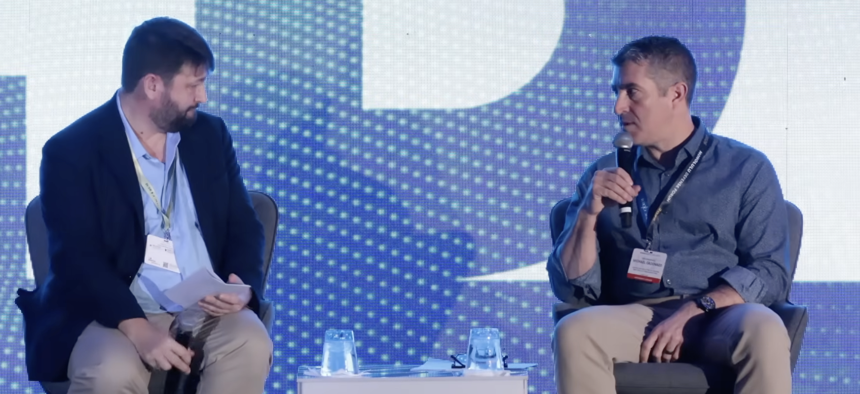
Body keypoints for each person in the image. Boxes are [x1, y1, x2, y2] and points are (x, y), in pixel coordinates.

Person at [15, 17, 273, 393]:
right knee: (110, 372)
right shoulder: (71, 151)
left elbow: (243, 225)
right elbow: (78, 258)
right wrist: (137, 328)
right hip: (111, 311)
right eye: (194, 85)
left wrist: (240, 285)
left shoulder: (209, 136)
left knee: (250, 341)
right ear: (152, 85)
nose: (203, 97)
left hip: (203, 306)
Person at [546, 36, 792, 394]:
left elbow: (770, 272)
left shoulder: (745, 168)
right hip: (636, 315)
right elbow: (574, 291)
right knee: (574, 329)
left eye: (632, 92)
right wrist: (587, 214)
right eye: (616, 91)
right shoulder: (603, 174)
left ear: (676, 94)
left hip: (716, 314)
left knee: (764, 326)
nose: (618, 106)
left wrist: (694, 309)